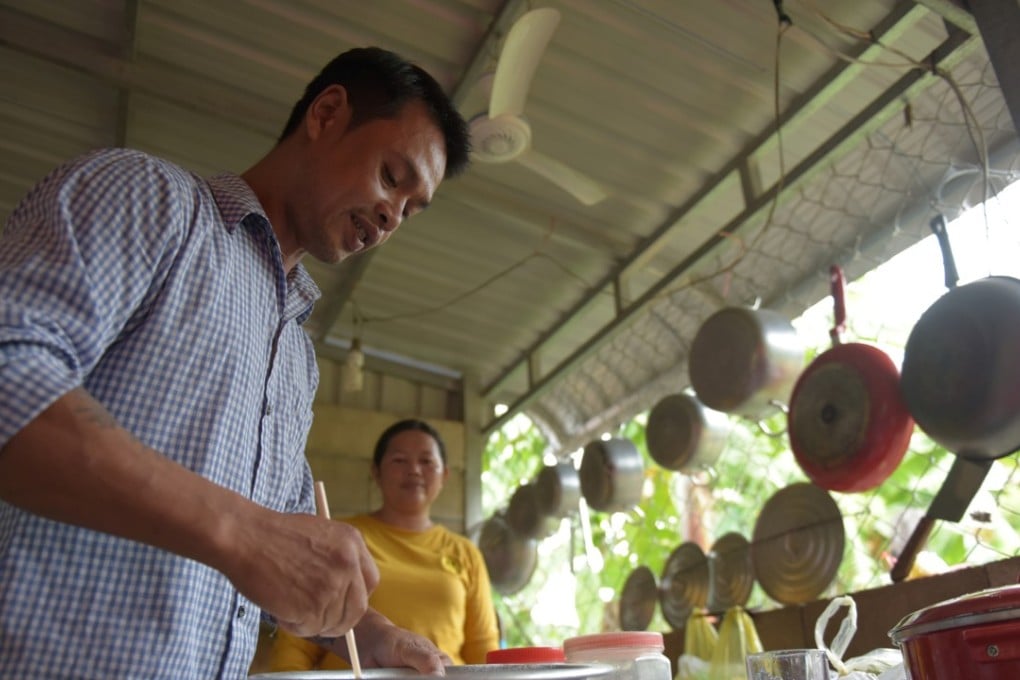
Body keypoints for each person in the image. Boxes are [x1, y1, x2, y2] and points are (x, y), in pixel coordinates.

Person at [0, 47, 470, 678]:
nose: (391, 218)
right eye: (391, 175)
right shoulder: (152, 202)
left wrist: (376, 635)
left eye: (411, 210)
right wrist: (245, 533)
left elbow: (288, 547)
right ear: (327, 113)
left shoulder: (297, 359)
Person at [269, 419, 499, 671]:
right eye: (400, 460)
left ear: (444, 474)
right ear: (376, 471)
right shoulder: (340, 539)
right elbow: (296, 644)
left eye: (426, 461)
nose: (414, 470)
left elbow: (483, 649)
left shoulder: (465, 553)